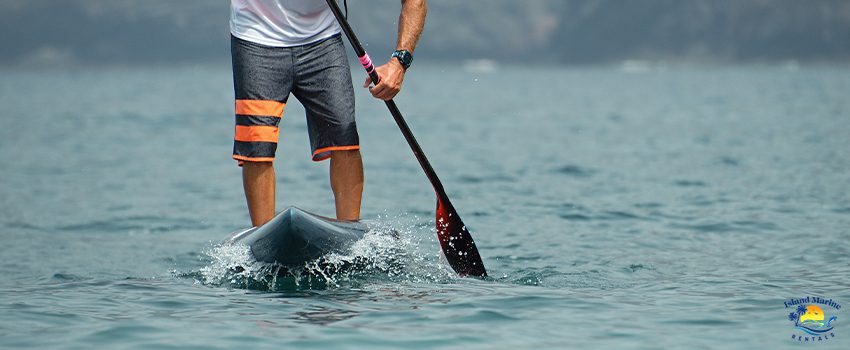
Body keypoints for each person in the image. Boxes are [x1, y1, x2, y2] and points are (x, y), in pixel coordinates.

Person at [229, 0, 426, 226]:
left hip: (322, 42)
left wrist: (399, 62)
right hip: (255, 38)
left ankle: (351, 237)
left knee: (345, 138)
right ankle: (262, 237)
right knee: (257, 143)